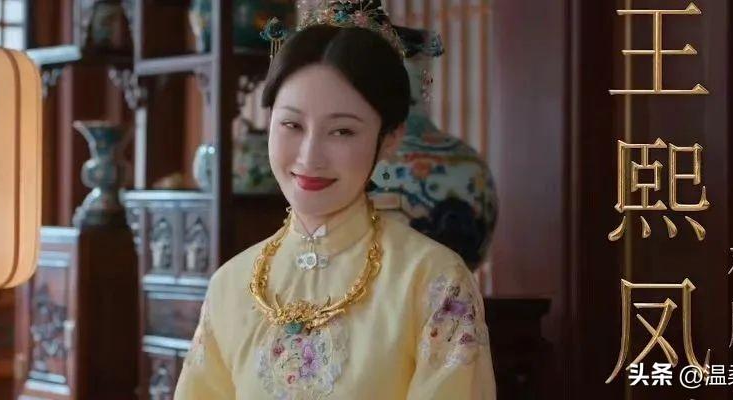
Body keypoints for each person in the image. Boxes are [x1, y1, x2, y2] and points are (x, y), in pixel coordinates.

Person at [173, 1, 495, 398]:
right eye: (292, 125)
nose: (310, 157)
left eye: (342, 131)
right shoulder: (230, 286)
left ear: (389, 139)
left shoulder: (433, 281)